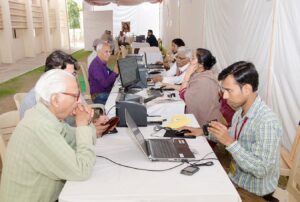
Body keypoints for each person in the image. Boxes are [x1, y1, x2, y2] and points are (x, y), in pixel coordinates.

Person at [180, 61, 282, 201]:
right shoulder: (240, 112)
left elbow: (262, 169)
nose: (225, 97)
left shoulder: (267, 121)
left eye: (229, 91)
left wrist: (230, 142)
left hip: (253, 193)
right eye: (224, 91)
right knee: (192, 184)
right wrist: (203, 131)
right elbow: (231, 134)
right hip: (236, 180)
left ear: (246, 89)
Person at [0, 69, 97, 202]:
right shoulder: (39, 126)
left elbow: (82, 139)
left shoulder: (48, 116)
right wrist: (82, 125)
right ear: (55, 99)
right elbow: (82, 170)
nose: (78, 101)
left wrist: (86, 122)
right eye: (75, 95)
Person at [20, 50, 110, 136]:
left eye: (74, 74)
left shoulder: (72, 90)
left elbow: (85, 112)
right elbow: (53, 140)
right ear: (51, 76)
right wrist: (86, 132)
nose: (72, 79)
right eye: (66, 75)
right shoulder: (31, 102)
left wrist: (97, 120)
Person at [165, 48, 221, 126]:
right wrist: (171, 86)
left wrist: (187, 74)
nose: (190, 61)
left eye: (193, 58)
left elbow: (184, 95)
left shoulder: (204, 80)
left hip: (205, 123)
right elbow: (187, 88)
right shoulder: (201, 74)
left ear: (201, 64)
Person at [89, 40, 118, 105]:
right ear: (99, 53)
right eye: (106, 52)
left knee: (120, 94)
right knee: (119, 100)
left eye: (110, 52)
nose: (109, 54)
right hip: (98, 95)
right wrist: (115, 73)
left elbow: (109, 73)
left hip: (104, 91)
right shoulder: (95, 66)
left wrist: (115, 72)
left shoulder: (102, 62)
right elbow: (105, 83)